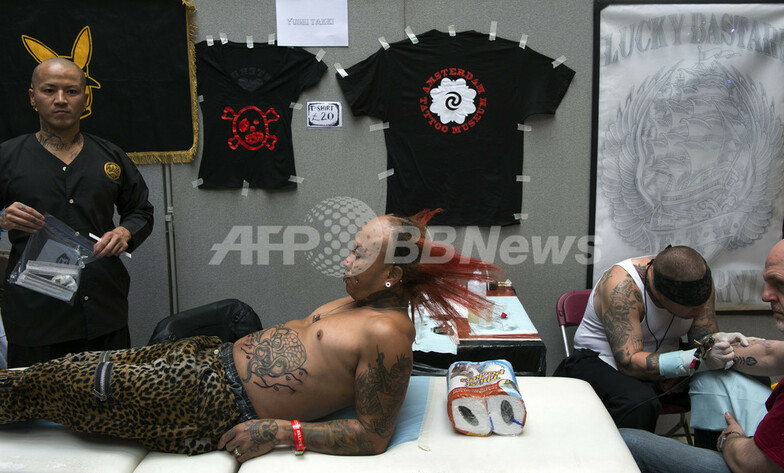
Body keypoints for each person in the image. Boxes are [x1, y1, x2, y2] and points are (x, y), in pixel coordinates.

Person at [0, 210, 500, 461]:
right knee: (60, 372)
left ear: (391, 275)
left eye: (359, 255)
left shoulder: (388, 332)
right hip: (204, 358)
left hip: (208, 401)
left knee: (66, 386)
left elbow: (373, 435)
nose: (346, 261)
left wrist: (283, 432)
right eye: (351, 248)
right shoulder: (363, 300)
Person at [0, 57, 154, 368]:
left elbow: (141, 210)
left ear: (85, 98)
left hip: (102, 311)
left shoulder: (110, 156)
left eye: (71, 91)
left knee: (106, 393)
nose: (60, 99)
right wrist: (1, 219)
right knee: (36, 399)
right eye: (49, 90)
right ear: (33, 97)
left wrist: (125, 232)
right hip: (35, 315)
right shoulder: (8, 157)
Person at [621, 229, 784, 473]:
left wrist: (730, 438)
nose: (765, 295)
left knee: (627, 441)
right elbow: (771, 354)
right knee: (711, 379)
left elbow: (749, 464)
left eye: (780, 283)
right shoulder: (621, 284)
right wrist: (711, 352)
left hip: (751, 461)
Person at [554, 245, 736, 431]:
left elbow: (702, 340)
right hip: (603, 359)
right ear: (659, 295)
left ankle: (718, 448)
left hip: (665, 358)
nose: (700, 311)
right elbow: (628, 363)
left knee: (723, 384)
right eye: (691, 308)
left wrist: (720, 345)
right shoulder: (622, 286)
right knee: (639, 403)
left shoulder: (697, 281)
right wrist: (686, 364)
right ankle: (630, 450)